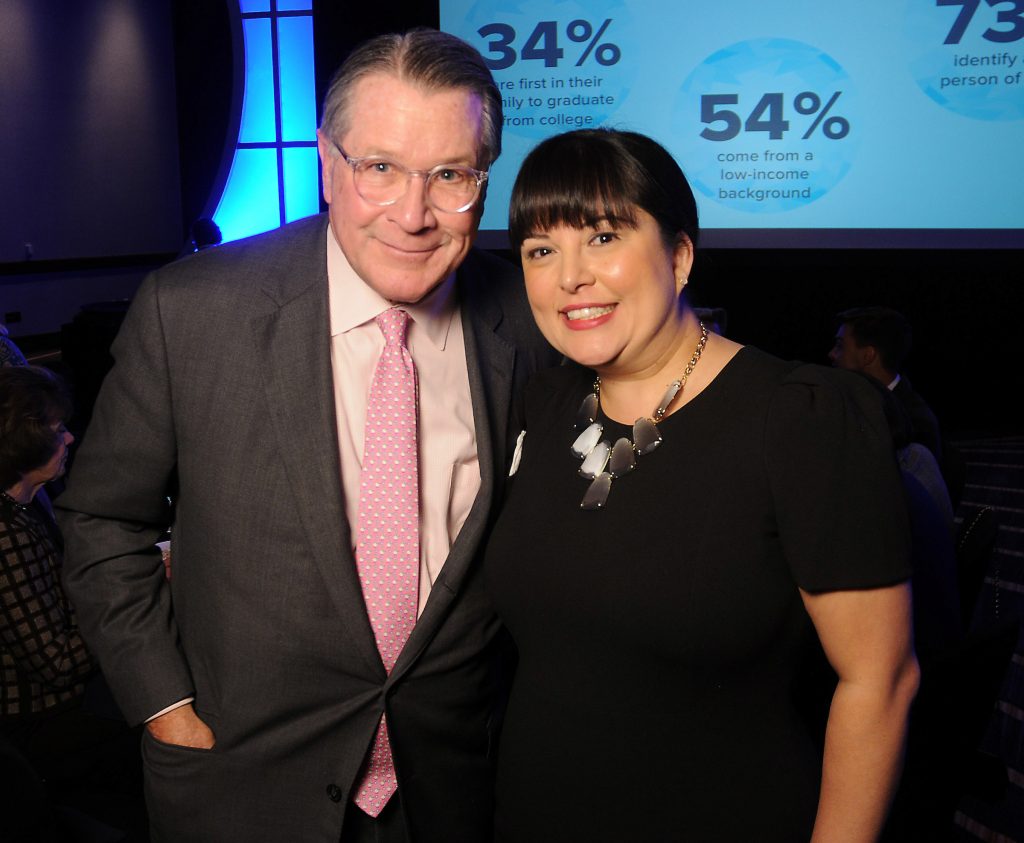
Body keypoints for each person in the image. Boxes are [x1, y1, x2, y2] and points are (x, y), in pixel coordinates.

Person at [56, 29, 556, 843]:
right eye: (380, 168)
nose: (413, 214)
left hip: (450, 786)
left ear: (484, 181)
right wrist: (163, 703)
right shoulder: (192, 311)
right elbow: (101, 519)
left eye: (450, 175)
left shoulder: (530, 324)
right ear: (328, 162)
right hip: (242, 781)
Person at [483, 129, 920, 842]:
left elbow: (881, 681)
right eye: (541, 250)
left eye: (602, 237)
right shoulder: (545, 404)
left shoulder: (802, 418)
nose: (570, 277)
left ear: (680, 256)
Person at [829, 306, 943, 464]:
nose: (832, 354)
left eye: (840, 346)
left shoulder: (916, 425)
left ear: (868, 355)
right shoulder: (846, 401)